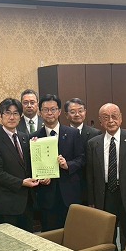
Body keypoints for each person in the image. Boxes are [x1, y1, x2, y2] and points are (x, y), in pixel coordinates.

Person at [86, 103, 126, 249]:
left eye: (114, 116)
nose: (110, 121)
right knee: (107, 236)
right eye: (106, 117)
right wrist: (91, 200)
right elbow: (90, 175)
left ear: (120, 118)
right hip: (104, 195)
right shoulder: (93, 143)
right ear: (100, 121)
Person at [0, 98, 39, 231]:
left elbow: (29, 165)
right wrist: (21, 182)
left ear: (20, 116)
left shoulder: (24, 137)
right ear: (0, 116)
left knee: (28, 239)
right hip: (7, 204)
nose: (11, 117)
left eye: (15, 113)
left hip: (27, 203)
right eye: (8, 113)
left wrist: (41, 174)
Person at [34, 94, 85, 231]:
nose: (50, 113)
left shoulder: (73, 133)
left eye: (53, 109)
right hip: (47, 196)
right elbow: (32, 165)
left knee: (73, 233)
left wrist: (68, 165)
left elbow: (81, 158)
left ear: (59, 112)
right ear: (40, 113)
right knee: (50, 234)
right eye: (45, 110)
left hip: (70, 194)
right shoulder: (34, 138)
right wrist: (40, 177)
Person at [65, 97, 101, 204]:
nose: (77, 114)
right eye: (73, 112)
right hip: (68, 183)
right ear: (66, 115)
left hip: (89, 183)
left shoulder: (96, 133)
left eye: (80, 111)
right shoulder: (62, 133)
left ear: (85, 112)